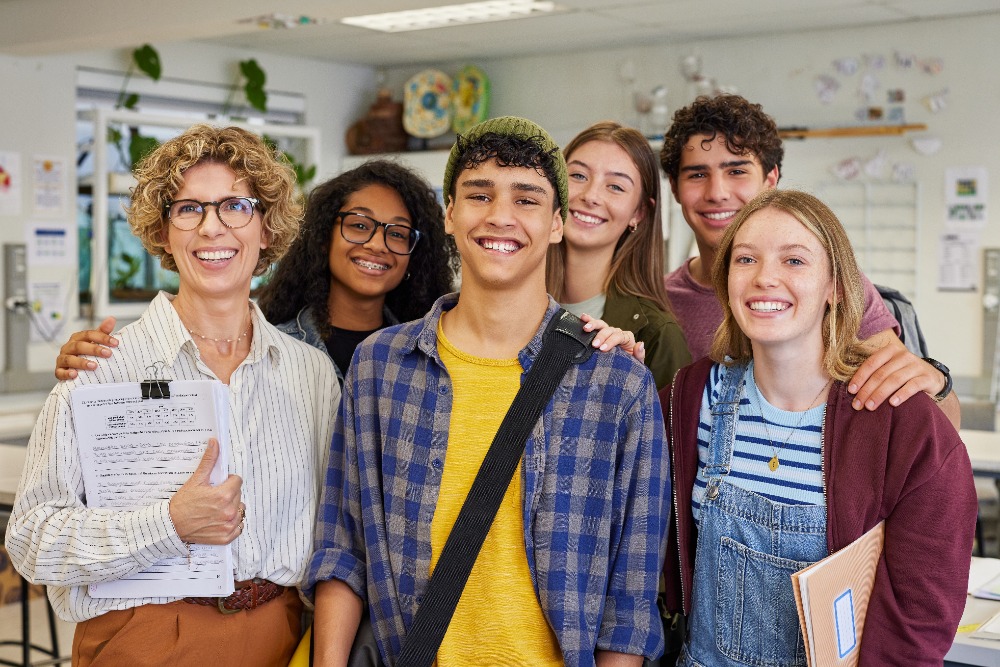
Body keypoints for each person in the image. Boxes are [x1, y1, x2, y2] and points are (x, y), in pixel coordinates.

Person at [306, 116, 669, 666]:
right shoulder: (380, 366)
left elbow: (629, 606)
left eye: (527, 199)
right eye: (480, 194)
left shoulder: (618, 387)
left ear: (556, 223)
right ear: (450, 212)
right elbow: (342, 549)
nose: (500, 216)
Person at [5, 125, 339, 666]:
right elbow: (32, 540)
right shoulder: (100, 370)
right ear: (162, 231)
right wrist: (169, 525)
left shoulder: (310, 375)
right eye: (188, 209)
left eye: (235, 205)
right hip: (146, 637)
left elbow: (335, 531)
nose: (212, 228)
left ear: (265, 228)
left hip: (283, 634)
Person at [662, 188, 975, 666]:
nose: (765, 277)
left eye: (794, 261)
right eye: (745, 259)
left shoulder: (902, 423)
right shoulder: (690, 400)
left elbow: (921, 619)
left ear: (835, 287)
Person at [660, 94, 960, 426]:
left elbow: (931, 423)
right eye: (697, 175)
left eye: (737, 171)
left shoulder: (829, 288)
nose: (717, 192)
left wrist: (938, 384)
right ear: (674, 187)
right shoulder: (660, 301)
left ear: (770, 180)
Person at [53, 160, 460, 385]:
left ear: (414, 255)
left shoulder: (427, 354)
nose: (376, 243)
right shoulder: (274, 350)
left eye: (398, 233)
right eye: (358, 224)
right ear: (322, 236)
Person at [547, 121, 691, 390]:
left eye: (615, 186)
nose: (591, 196)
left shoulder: (658, 335)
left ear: (639, 214)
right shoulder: (507, 305)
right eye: (578, 176)